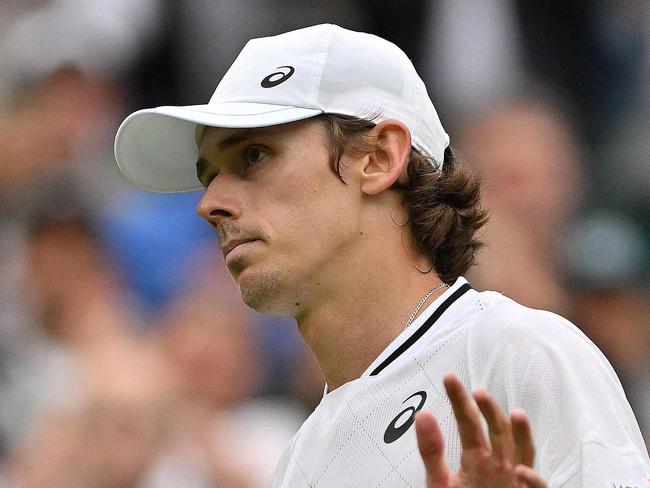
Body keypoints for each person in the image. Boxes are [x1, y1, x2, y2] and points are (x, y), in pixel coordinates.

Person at [114, 24, 650, 487]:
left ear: (377, 157)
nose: (210, 203)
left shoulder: (523, 353)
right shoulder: (300, 461)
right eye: (209, 176)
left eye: (253, 155)